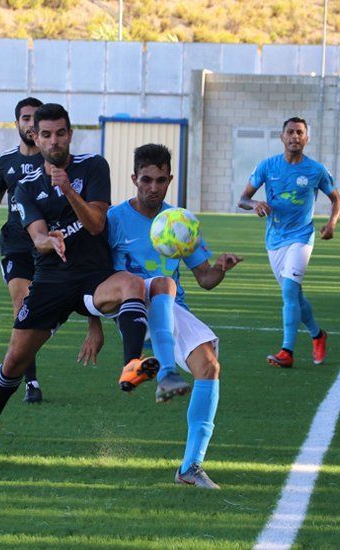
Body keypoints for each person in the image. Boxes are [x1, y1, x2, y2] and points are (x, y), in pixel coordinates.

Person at [0, 104, 157, 463]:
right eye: (45, 134)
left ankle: (132, 364)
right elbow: (37, 238)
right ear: (36, 137)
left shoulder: (93, 166)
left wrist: (68, 191)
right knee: (14, 361)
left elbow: (95, 224)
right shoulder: (26, 187)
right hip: (51, 281)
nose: (54, 140)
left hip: (95, 277)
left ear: (70, 134)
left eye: (60, 133)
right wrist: (52, 241)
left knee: (133, 285)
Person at [79, 143, 241, 489]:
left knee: (208, 367)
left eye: (161, 181)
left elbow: (205, 280)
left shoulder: (180, 223)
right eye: (147, 180)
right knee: (160, 282)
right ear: (134, 178)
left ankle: (190, 467)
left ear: (170, 180)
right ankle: (164, 370)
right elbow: (94, 276)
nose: (154, 188)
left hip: (171, 311)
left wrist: (221, 268)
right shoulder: (114, 220)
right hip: (132, 311)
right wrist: (93, 324)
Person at [237, 117, 340, 368]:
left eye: (300, 133)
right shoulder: (267, 166)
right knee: (295, 295)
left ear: (307, 139)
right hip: (274, 241)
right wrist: (255, 204)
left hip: (301, 237)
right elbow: (242, 199)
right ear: (282, 137)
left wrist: (331, 225)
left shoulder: (316, 170)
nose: (295, 136)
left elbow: (336, 200)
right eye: (290, 132)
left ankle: (287, 351)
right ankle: (318, 335)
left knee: (288, 292)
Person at [0, 97, 46, 403]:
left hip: (46, 246)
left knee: (43, 315)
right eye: (25, 118)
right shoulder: (6, 160)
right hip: (15, 243)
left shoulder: (53, 159)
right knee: (23, 306)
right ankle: (30, 381)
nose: (30, 124)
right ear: (16, 123)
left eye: (35, 118)